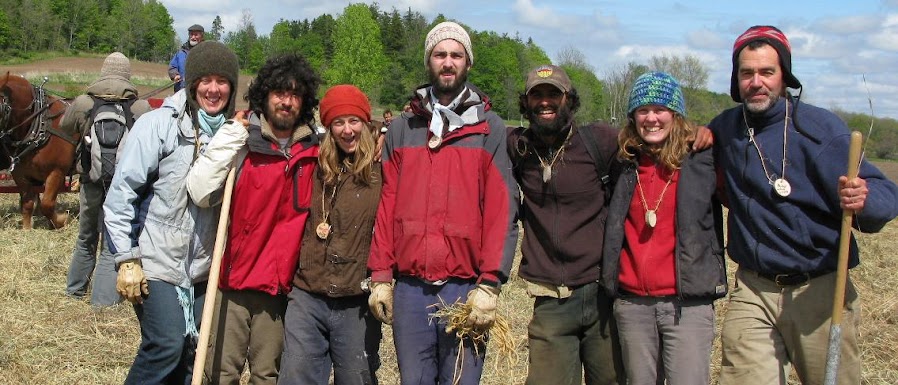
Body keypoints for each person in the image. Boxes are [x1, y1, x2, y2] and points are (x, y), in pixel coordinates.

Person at [710, 25, 898, 385]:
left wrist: (865, 199)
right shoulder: (725, 129)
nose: (756, 82)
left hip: (820, 289)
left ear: (785, 76)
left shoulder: (820, 129)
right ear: (736, 79)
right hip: (754, 289)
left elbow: (884, 194)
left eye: (767, 72)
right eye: (747, 73)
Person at [367, 21, 519, 385]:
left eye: (456, 54)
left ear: (468, 63)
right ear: (429, 62)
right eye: (439, 54)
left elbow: (502, 212)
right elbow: (386, 207)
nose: (447, 62)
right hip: (412, 290)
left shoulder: (488, 129)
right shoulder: (404, 128)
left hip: (465, 289)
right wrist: (381, 276)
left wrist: (489, 284)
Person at [104, 41, 239, 384]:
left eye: (222, 81)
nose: (213, 89)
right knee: (165, 345)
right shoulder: (157, 126)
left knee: (191, 354)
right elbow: (121, 195)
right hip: (156, 261)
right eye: (204, 79)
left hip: (201, 268)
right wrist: (125, 258)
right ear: (191, 82)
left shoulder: (232, 137)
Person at [184, 53, 320, 385]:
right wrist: (230, 135)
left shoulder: (313, 152)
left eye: (294, 94)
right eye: (279, 93)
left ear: (304, 101)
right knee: (220, 374)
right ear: (265, 96)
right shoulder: (243, 143)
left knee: (266, 376)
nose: (286, 102)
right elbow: (199, 190)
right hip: (232, 281)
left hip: (278, 290)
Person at [602, 71, 726, 385]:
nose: (652, 118)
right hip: (633, 305)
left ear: (675, 115)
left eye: (660, 109)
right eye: (643, 110)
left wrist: (708, 133)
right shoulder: (623, 162)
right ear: (632, 118)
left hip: (687, 305)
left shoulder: (701, 160)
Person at [507, 64, 625, 385]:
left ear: (569, 100)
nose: (545, 102)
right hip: (551, 300)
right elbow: (478, 134)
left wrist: (696, 132)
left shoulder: (600, 142)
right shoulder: (518, 147)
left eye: (553, 95)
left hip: (603, 295)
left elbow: (652, 138)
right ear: (526, 102)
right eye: (537, 95)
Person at [278, 84, 382, 385]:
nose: (347, 130)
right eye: (338, 122)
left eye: (354, 121)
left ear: (366, 122)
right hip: (308, 294)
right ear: (329, 126)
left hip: (356, 299)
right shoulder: (315, 166)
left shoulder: (382, 169)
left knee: (357, 378)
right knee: (296, 377)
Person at [64, 52, 151, 307]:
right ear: (127, 75)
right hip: (122, 187)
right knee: (111, 243)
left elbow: (67, 127)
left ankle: (74, 290)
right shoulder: (139, 107)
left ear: (103, 72)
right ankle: (102, 303)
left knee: (86, 237)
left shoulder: (83, 103)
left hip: (90, 180)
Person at [169, 24, 204, 93]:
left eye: (196, 35)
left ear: (202, 36)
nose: (193, 37)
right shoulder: (181, 52)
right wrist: (175, 75)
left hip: (199, 92)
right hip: (180, 90)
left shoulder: (206, 52)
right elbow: (172, 67)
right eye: (191, 34)